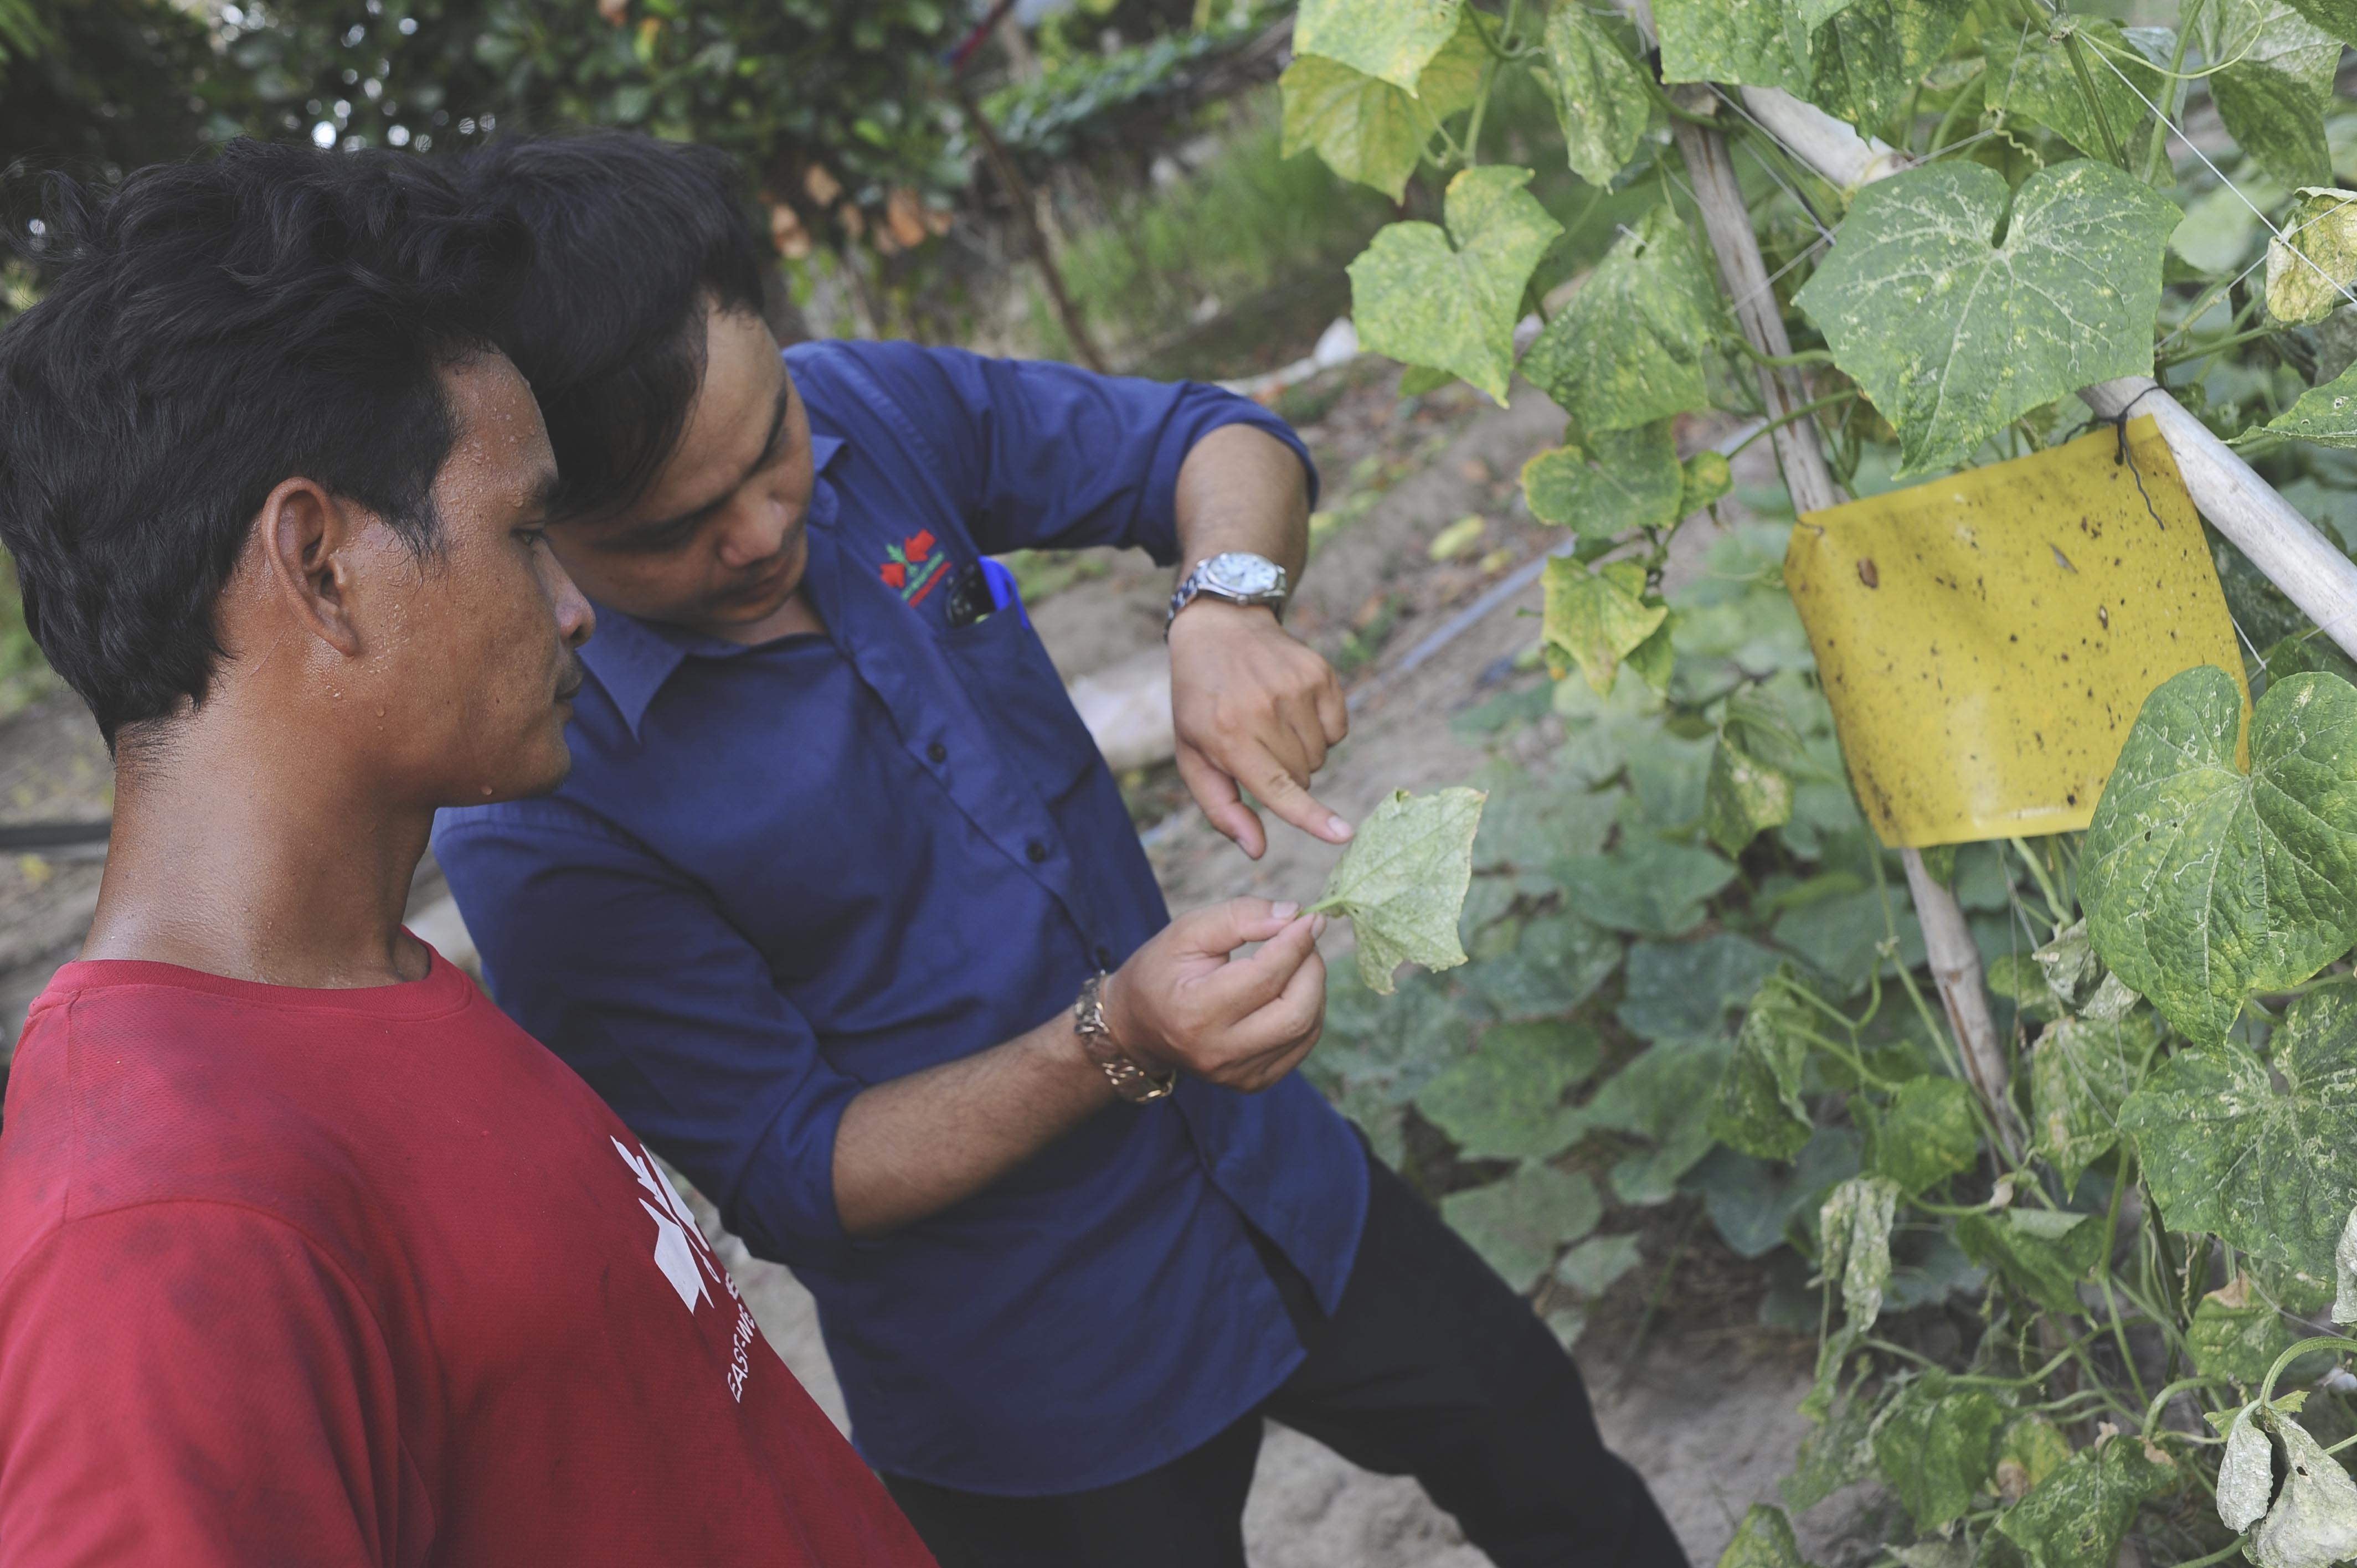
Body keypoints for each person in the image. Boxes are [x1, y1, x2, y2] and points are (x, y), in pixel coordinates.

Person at [433, 131, 1686, 1568]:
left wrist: (1227, 607)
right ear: (543, 515)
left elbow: (1210, 441)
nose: (769, 523)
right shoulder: (543, 814)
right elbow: (796, 1171)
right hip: (1033, 1382)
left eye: (771, 446)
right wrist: (1118, 1036)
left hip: (1273, 1186)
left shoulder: (865, 411)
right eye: (680, 530)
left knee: (1545, 1457)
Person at [0, 141, 934, 1567]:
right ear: (318, 566)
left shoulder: (371, 989)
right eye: (525, 533)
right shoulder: (168, 1223)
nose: (574, 612)